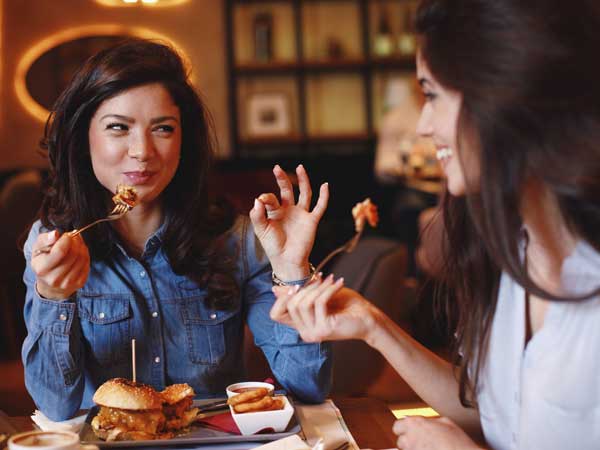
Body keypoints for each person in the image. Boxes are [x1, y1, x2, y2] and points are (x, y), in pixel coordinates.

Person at [251, 1, 600, 449]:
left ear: (504, 96)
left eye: (432, 96)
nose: (422, 125)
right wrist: (375, 326)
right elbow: (495, 417)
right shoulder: (516, 252)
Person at [22, 38, 332, 421]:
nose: (142, 151)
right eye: (118, 128)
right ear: (83, 137)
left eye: (163, 129)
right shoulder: (53, 244)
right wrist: (53, 295)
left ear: (184, 141)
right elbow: (54, 406)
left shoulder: (234, 240)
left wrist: (292, 271)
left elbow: (308, 386)